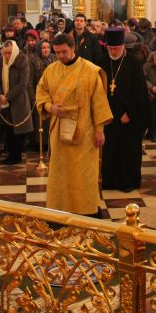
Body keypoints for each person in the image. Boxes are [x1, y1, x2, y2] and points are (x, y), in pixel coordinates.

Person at [35, 33, 112, 216]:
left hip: (85, 133)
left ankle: (87, 212)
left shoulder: (90, 71)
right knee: (60, 175)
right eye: (57, 52)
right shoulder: (51, 70)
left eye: (64, 51)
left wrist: (99, 130)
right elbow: (41, 93)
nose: (60, 56)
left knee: (82, 175)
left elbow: (99, 102)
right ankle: (59, 210)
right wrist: (50, 107)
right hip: (59, 132)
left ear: (73, 48)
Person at [98, 28, 149, 192]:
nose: (113, 51)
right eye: (110, 48)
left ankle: (127, 182)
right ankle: (108, 181)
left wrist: (131, 113)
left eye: (116, 48)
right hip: (107, 116)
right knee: (109, 150)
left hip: (127, 117)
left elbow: (140, 92)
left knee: (128, 151)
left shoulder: (133, 63)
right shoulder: (101, 62)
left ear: (122, 46)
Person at [0, 40, 32, 164]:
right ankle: (11, 155)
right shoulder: (2, 63)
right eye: (5, 53)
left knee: (18, 131)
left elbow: (22, 84)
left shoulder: (22, 61)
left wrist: (8, 96)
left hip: (18, 101)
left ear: (15, 51)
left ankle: (16, 156)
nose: (7, 56)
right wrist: (0, 93)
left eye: (9, 53)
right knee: (8, 129)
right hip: (5, 101)